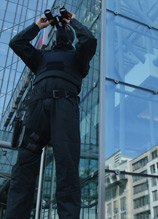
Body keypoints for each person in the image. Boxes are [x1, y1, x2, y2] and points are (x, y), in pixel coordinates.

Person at [6, 10, 97, 219]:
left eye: (65, 30)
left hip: (64, 109)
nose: (62, 32)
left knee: (67, 168)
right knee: (23, 170)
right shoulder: (41, 58)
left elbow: (89, 39)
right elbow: (16, 43)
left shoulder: (78, 58)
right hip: (36, 110)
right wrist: (38, 26)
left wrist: (72, 21)